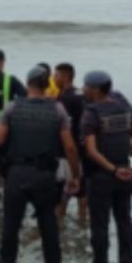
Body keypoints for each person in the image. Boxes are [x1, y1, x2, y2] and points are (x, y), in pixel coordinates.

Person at [0, 67, 81, 263]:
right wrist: (75, 175)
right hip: (44, 176)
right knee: (48, 225)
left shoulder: (12, 108)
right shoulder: (57, 110)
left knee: (10, 226)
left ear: (28, 83)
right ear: (46, 84)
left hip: (17, 174)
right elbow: (69, 147)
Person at [78, 71, 132, 263]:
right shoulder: (125, 108)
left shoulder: (92, 113)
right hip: (125, 172)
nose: (83, 89)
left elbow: (92, 151)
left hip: (102, 175)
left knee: (99, 223)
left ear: (95, 90)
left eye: (85, 86)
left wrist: (112, 169)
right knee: (124, 219)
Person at [51, 63, 87, 224]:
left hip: (66, 153)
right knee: (83, 195)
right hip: (84, 152)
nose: (54, 78)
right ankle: (83, 225)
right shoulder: (82, 94)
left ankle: (59, 227)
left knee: (60, 197)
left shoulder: (63, 98)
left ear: (66, 77)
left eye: (56, 75)